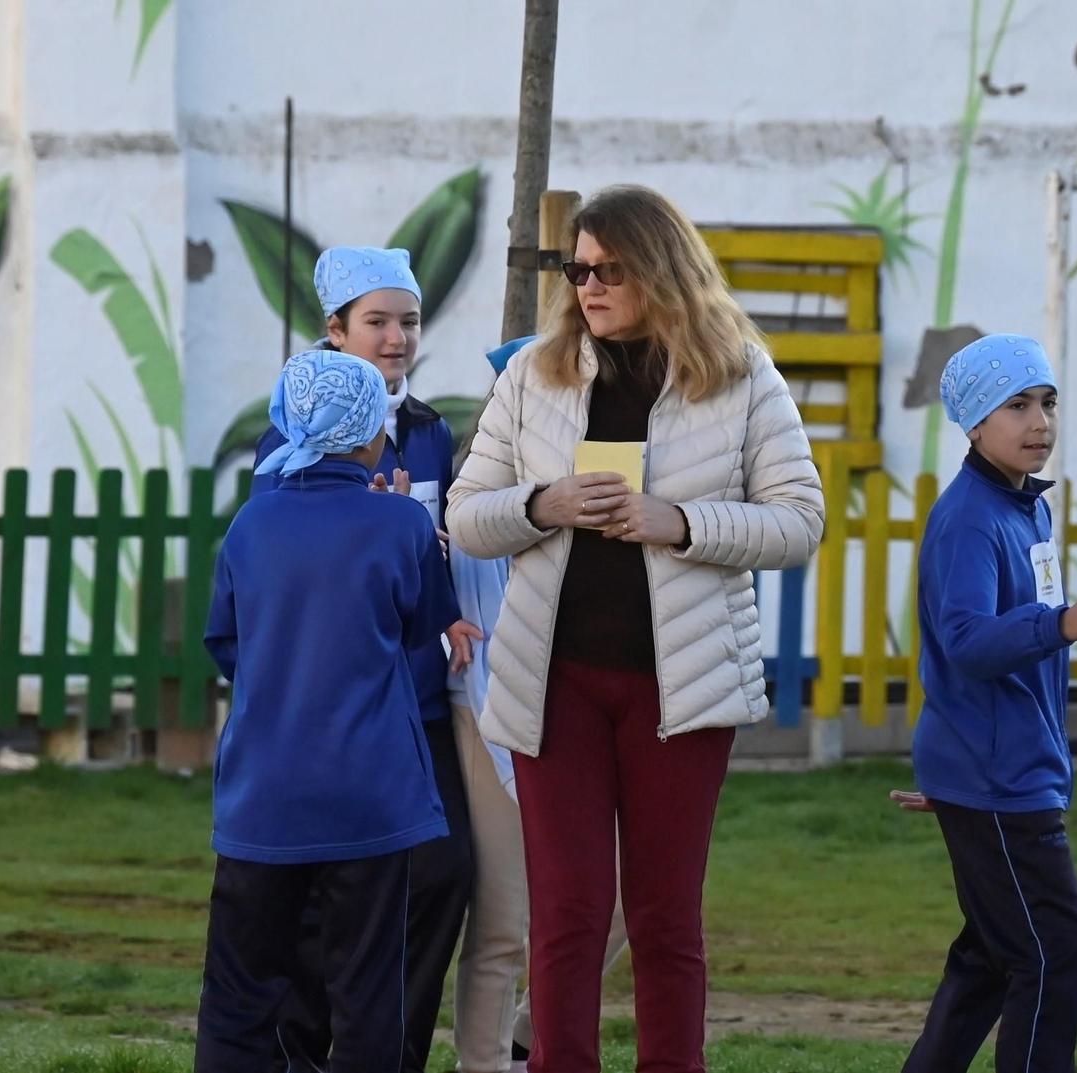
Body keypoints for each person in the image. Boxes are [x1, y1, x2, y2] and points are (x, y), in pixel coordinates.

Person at [446, 184, 824, 1073]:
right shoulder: (532, 374)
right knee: (568, 912)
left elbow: (800, 520)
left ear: (661, 267)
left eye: (609, 269)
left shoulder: (740, 374)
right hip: (554, 682)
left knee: (662, 916)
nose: (588, 287)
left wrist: (683, 522)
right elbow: (466, 517)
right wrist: (543, 503)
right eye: (577, 270)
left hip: (681, 686)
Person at [194, 350, 459, 1072]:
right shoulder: (401, 523)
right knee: (369, 991)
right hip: (372, 797)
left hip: (262, 796)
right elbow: (418, 625)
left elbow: (224, 638)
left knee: (238, 994)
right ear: (373, 430)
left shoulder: (251, 524)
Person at [254, 246, 478, 1073]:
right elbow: (273, 556)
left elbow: (437, 559)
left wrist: (441, 586)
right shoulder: (292, 433)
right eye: (377, 322)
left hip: (414, 702)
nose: (395, 338)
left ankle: (393, 1052)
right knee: (321, 895)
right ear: (335, 330)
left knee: (444, 871)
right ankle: (302, 1048)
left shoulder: (429, 431)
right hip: (325, 703)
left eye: (408, 321)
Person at [892, 334, 1077, 1073]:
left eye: (1047, 402)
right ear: (973, 423)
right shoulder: (970, 518)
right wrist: (1063, 622)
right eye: (1015, 405)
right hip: (997, 775)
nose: (1038, 421)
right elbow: (966, 641)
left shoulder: (1028, 510)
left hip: (1003, 769)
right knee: (1056, 952)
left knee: (993, 952)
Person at [450, 337, 633, 1073]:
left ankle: (532, 1036)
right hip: (489, 715)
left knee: (616, 905)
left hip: (584, 721)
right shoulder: (477, 502)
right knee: (502, 919)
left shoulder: (602, 490)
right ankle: (482, 1062)